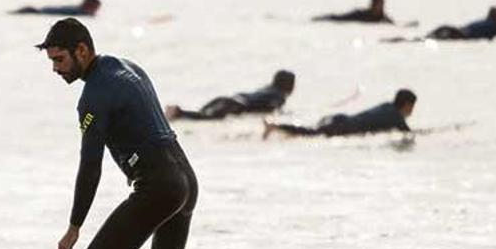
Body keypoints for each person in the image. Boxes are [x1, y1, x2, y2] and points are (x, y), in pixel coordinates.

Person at [37, 18, 211, 249]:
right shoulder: (128, 67)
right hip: (185, 180)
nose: (55, 69)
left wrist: (74, 227)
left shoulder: (93, 97)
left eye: (60, 60)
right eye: (52, 60)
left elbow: (90, 167)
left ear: (82, 50)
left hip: (159, 187)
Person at [264, 89, 416, 138]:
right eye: (412, 107)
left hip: (341, 119)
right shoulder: (396, 117)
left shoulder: (387, 106)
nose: (412, 111)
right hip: (343, 127)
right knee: (309, 134)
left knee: (309, 131)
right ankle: (275, 126)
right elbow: (409, 135)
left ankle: (277, 127)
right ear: (407, 105)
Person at [164, 70, 295, 121]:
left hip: (229, 99)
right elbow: (270, 110)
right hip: (235, 105)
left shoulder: (268, 88)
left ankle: (177, 113)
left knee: (202, 115)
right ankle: (177, 111)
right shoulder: (279, 96)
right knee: (208, 118)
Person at [425, 6, 496, 40]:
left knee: (444, 30)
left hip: (460, 34)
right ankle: (425, 38)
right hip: (461, 33)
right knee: (444, 30)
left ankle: (425, 38)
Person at [313, 0, 395, 24]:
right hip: (352, 18)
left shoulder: (384, 19)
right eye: (377, 4)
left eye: (381, 4)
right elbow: (340, 18)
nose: (379, 7)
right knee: (336, 18)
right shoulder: (362, 14)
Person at [13, 0, 101, 16]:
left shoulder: (78, 10)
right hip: (40, 12)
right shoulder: (77, 12)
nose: (96, 10)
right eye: (95, 8)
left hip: (40, 11)